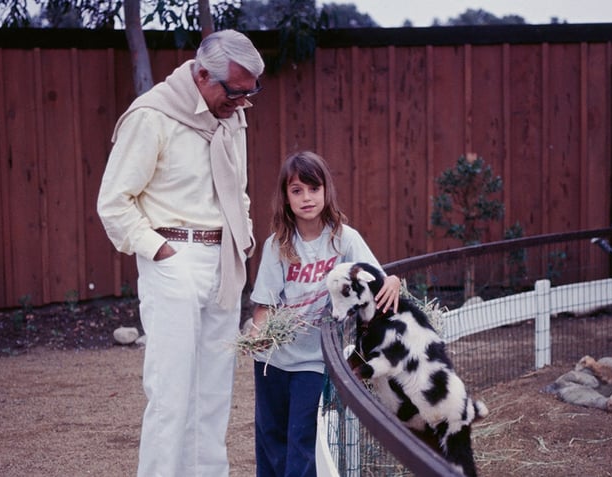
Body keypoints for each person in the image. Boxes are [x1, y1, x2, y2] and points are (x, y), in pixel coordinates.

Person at [97, 30, 264, 477]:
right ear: (203, 74)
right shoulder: (151, 116)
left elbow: (239, 190)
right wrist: (162, 253)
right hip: (173, 259)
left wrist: (243, 240)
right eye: (235, 92)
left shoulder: (231, 113)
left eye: (251, 93)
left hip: (224, 262)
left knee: (214, 397)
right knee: (172, 398)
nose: (243, 103)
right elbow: (113, 202)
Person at [248, 151, 401, 477]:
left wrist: (395, 281)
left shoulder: (344, 239)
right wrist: (258, 334)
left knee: (302, 438)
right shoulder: (278, 245)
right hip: (272, 361)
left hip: (313, 361)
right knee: (270, 439)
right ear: (286, 198)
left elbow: (377, 278)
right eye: (297, 191)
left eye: (313, 189)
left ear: (325, 191)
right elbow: (265, 306)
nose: (306, 198)